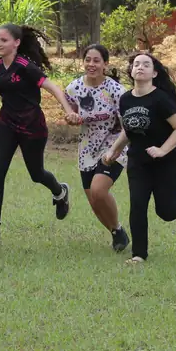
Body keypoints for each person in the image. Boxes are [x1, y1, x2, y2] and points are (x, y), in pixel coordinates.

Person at [0, 24, 71, 246]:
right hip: (6, 124)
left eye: (4, 40)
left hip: (32, 126)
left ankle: (60, 191)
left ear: (16, 43)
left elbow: (53, 88)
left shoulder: (26, 66)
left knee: (36, 174)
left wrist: (68, 111)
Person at [102, 52, 176, 265]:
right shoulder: (125, 99)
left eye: (146, 64)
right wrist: (113, 151)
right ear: (132, 71)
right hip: (138, 162)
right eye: (136, 64)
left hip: (166, 162)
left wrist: (163, 150)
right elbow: (129, 129)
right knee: (137, 205)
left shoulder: (161, 99)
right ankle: (139, 254)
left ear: (154, 72)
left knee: (165, 210)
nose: (140, 67)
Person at [62, 44, 131, 253]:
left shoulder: (117, 91)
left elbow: (127, 125)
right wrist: (71, 118)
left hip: (114, 147)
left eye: (96, 60)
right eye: (88, 60)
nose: (91, 64)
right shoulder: (73, 89)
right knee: (93, 199)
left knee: (99, 191)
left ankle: (117, 230)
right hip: (87, 149)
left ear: (105, 64)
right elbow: (70, 113)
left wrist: (116, 149)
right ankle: (116, 232)